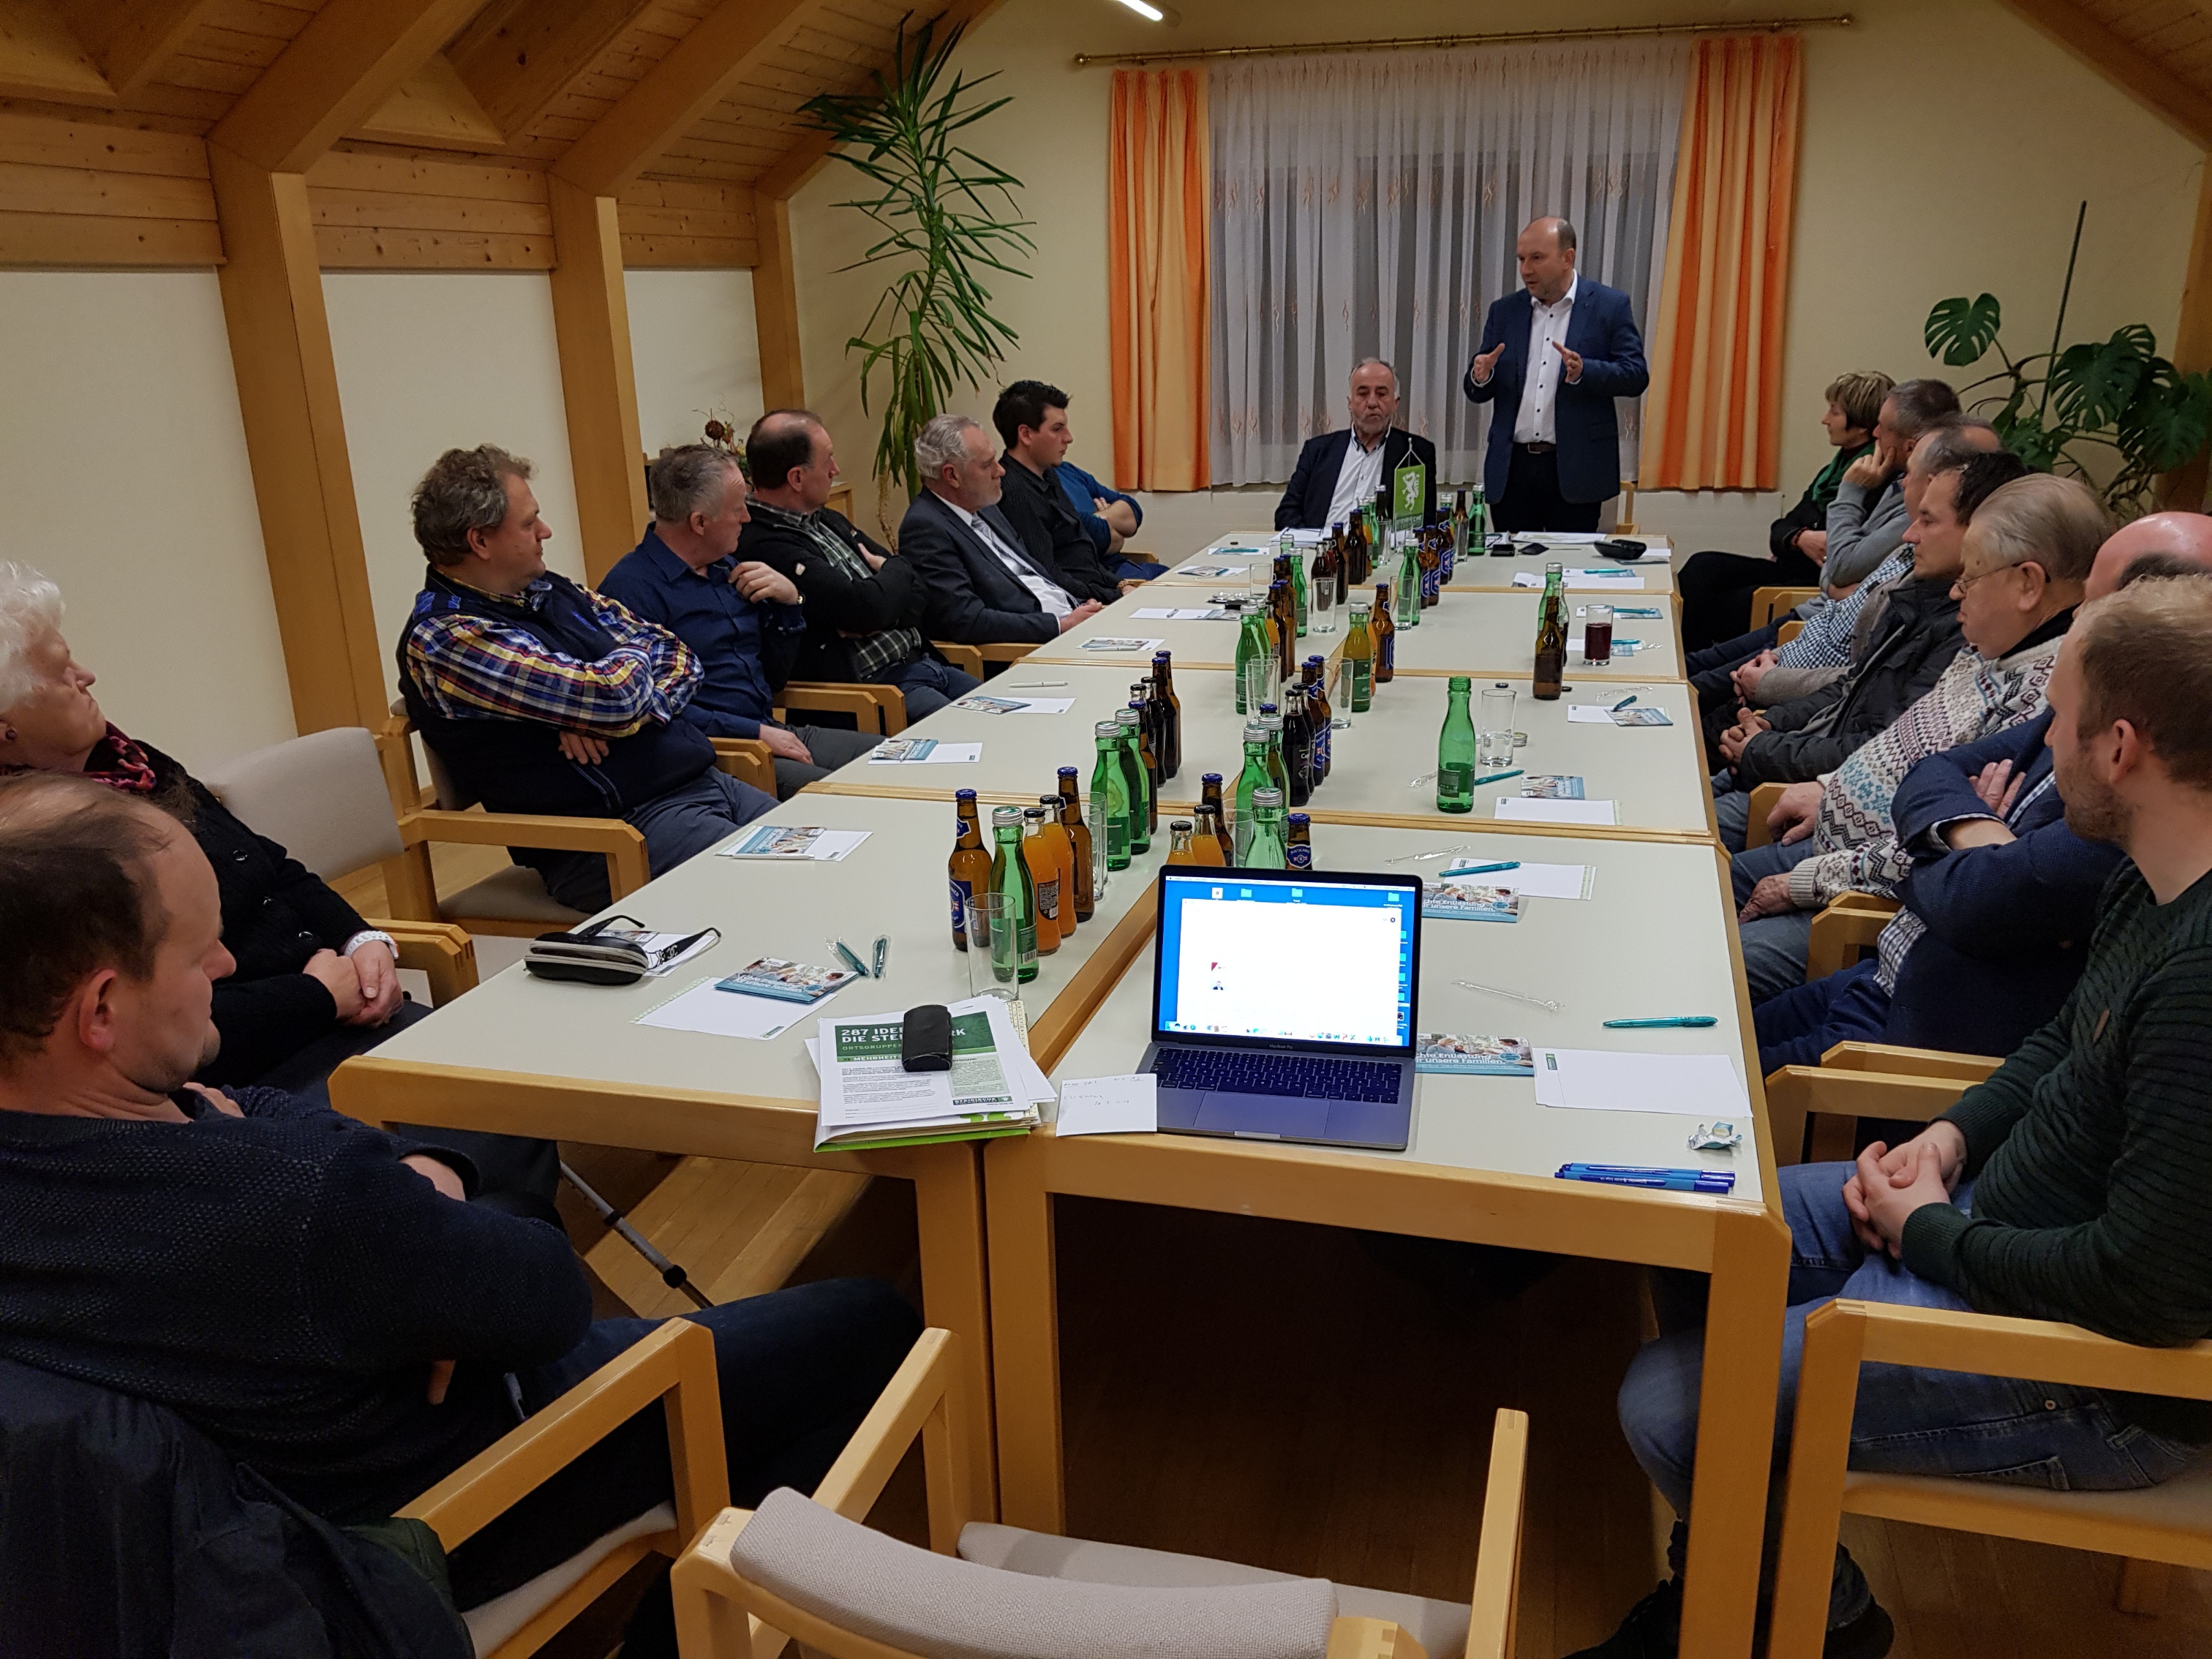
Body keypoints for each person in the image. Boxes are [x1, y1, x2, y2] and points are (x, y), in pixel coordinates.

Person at [0, 773, 919, 1656]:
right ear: (102, 1009)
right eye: (198, 949)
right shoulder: (288, 1202)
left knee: (486, 1198)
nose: (229, 964)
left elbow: (259, 1118)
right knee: (872, 1326)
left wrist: (396, 1208)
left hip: (241, 1519)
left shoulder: (137, 1156)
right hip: (437, 1515)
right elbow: (549, 1298)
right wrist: (407, 1215)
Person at [1585, 573, 2212, 1659]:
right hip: (1988, 1217)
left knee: (1665, 1407)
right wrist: (1952, 1137)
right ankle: (1745, 1548)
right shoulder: (2148, 876)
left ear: (2120, 749)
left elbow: (2143, 1290)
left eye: (2057, 720)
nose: (2037, 752)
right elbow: (2057, 1046)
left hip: (2095, 1376)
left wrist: (1928, 1234)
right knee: (1692, 1225)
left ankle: (1819, 1619)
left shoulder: (2200, 983)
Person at [0, 562, 560, 1220]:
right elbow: (152, 1026)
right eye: (61, 671)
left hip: (334, 1006)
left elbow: (270, 863)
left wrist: (362, 940)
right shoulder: (40, 860)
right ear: (6, 726)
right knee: (453, 1175)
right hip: (249, 1067)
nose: (87, 675)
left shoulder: (134, 764)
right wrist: (318, 996)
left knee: (506, 1096)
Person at [1752, 527, 2212, 1072]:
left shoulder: (2130, 829)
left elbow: (1977, 900)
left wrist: (1950, 848)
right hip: (1877, 976)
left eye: (2092, 600)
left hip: (1902, 1039)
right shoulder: (2081, 705)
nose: (2072, 616)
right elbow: (1933, 770)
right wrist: (1980, 832)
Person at [1730, 472, 2106, 1003]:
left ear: (2028, 584)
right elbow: (1909, 752)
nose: (1955, 591)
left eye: (1970, 578)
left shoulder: (2045, 694)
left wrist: (1807, 879)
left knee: (1710, 962)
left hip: (1862, 899)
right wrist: (1833, 786)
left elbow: (1945, 844)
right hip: (1828, 842)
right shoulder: (1989, 648)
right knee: (1690, 888)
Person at [396, 445, 776, 913]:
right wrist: (610, 695)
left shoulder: (547, 588)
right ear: (480, 541)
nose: (546, 531)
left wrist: (612, 716)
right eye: (529, 523)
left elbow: (679, 655)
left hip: (697, 782)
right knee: (783, 888)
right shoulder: (447, 638)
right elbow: (615, 694)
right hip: (611, 836)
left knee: (833, 851)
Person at [1712, 443, 2025, 813]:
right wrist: (1769, 726)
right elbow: (1852, 684)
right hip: (1796, 730)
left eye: (1928, 520)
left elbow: (1884, 746)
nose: (1909, 534)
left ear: (1978, 532)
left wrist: (1764, 746)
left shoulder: (1966, 631)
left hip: (1815, 779)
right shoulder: (1917, 592)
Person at [599, 444, 879, 800]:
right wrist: (754, 733)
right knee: (858, 796)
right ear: (700, 523)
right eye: (738, 508)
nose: (748, 517)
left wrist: (790, 602)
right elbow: (649, 708)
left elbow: (774, 677)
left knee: (900, 762)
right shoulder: (631, 591)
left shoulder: (727, 567)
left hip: (770, 728)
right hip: (717, 753)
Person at [1687, 383, 1965, 729]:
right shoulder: (1872, 476)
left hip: (1807, 619)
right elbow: (1792, 533)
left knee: (1699, 680)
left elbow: (1841, 567)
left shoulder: (1888, 492)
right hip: (1812, 619)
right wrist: (1800, 540)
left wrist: (1850, 491)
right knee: (1703, 579)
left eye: (1835, 411)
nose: (1876, 433)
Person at [735, 410, 979, 719]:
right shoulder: (763, 544)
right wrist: (890, 583)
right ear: (796, 478)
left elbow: (917, 590)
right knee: (978, 731)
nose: (835, 469)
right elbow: (864, 608)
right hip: (875, 692)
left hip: (925, 662)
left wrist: (885, 596)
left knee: (1016, 714)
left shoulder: (828, 519)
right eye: (828, 460)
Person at [1676, 372, 1890, 650]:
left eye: (1834, 412)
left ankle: (1691, 663)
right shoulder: (1832, 471)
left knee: (1717, 604)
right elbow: (1780, 530)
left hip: (1813, 583)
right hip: (1789, 568)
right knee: (1702, 566)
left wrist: (1796, 538)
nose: (1825, 420)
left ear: (1861, 424)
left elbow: (1835, 548)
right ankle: (1686, 660)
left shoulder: (1871, 479)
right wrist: (1800, 538)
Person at [1462, 217, 1647, 533]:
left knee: (1571, 562)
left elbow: (1635, 375)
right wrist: (1481, 376)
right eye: (1521, 259)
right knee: (1510, 562)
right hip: (1513, 470)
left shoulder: (1609, 306)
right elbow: (1477, 388)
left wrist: (1585, 371)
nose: (1526, 270)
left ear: (1567, 258)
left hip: (1575, 468)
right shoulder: (1504, 311)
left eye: (1536, 258)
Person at [898, 414, 1107, 646]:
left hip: (1071, 622)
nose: (1000, 471)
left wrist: (1079, 605)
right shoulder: (925, 529)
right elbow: (967, 620)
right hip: (1029, 647)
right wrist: (1060, 626)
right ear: (952, 475)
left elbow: (1032, 575)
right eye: (987, 464)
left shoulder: (985, 506)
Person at [992, 379, 1166, 582]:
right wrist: (1117, 589)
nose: (1069, 438)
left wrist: (1119, 585)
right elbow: (1052, 576)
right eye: (1057, 429)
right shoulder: (1014, 492)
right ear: (1026, 435)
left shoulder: (1050, 474)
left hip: (1106, 579)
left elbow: (1126, 517)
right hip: (1086, 594)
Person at [1275, 358, 1440, 531]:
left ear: (1395, 403)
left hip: (1379, 547)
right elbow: (1286, 514)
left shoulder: (1416, 453)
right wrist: (1314, 541)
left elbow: (1424, 523)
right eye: (1363, 394)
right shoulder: (1317, 451)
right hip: (1322, 545)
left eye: (1381, 394)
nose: (1372, 403)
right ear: (1350, 403)